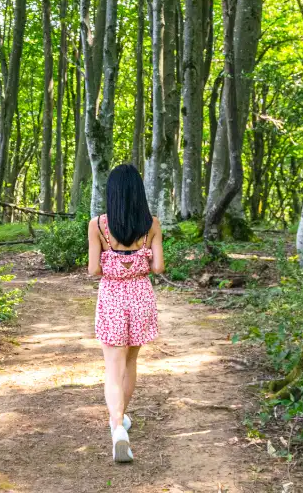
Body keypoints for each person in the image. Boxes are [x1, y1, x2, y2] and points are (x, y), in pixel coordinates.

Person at [87, 163, 165, 463]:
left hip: (112, 297)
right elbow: (158, 267)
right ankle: (120, 418)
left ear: (113, 193)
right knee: (130, 363)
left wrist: (112, 261)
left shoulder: (98, 226)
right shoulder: (152, 224)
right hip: (141, 296)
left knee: (112, 368)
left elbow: (94, 269)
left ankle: (118, 426)